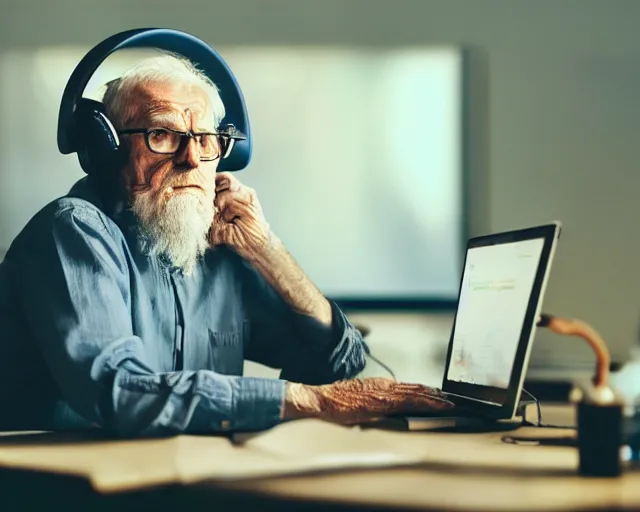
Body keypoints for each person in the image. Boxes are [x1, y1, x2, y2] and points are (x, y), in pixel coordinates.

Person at [0, 53, 452, 436]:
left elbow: (338, 359)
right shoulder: (74, 232)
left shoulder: (209, 244)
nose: (192, 158)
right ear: (108, 149)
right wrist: (309, 400)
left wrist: (267, 250)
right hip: (65, 489)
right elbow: (120, 392)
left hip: (183, 479)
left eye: (206, 139)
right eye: (163, 135)